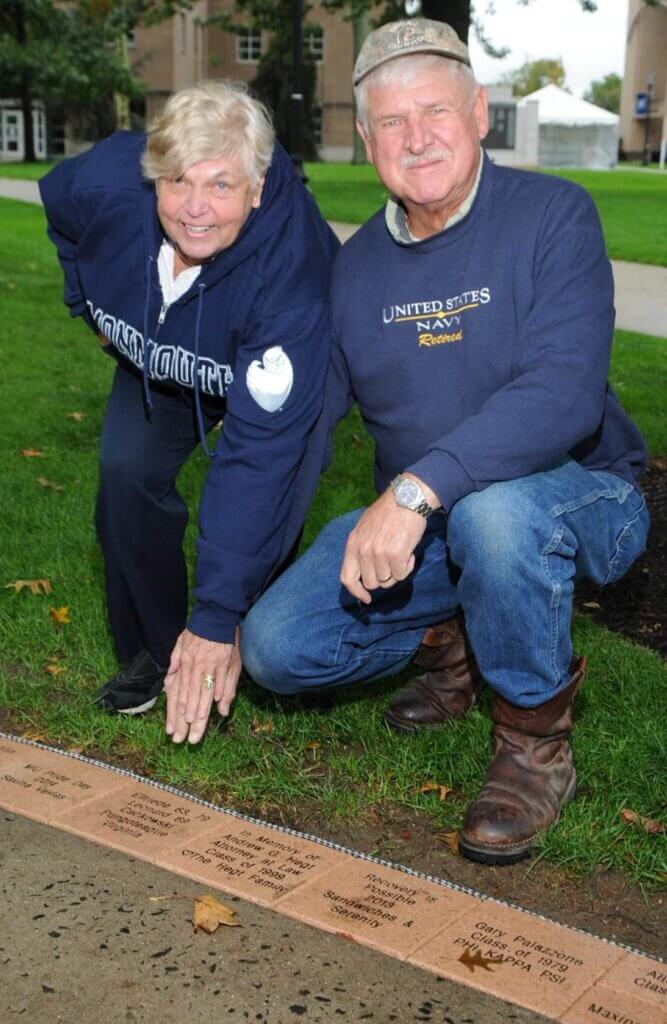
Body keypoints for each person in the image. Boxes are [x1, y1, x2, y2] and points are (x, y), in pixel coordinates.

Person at [239, 21, 650, 865]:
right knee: (275, 650)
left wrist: (414, 491)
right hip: (432, 525)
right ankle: (452, 637)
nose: (415, 137)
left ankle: (533, 742)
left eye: (434, 111)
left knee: (491, 516)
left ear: (477, 111)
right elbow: (303, 432)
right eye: (391, 122)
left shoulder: (552, 216)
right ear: (365, 137)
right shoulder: (355, 270)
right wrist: (217, 608)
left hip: (581, 493)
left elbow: (563, 397)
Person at [41, 80, 338, 745]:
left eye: (221, 186)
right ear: (151, 180)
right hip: (168, 355)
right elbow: (60, 209)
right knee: (125, 472)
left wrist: (215, 613)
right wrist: (85, 301)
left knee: (271, 493)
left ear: (257, 187)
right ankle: (153, 650)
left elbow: (258, 460)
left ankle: (242, 638)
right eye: (177, 183)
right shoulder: (103, 185)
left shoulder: (293, 274)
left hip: (266, 353)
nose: (196, 209)